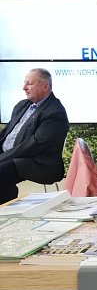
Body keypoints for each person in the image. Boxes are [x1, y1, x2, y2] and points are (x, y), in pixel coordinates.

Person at [0, 68, 69, 204]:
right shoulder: (22, 105)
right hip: (11, 155)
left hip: (37, 162)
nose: (24, 87)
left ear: (45, 86)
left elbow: (35, 145)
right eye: (25, 83)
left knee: (2, 171)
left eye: (29, 83)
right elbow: (6, 133)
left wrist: (3, 157)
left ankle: (6, 208)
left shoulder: (55, 112)